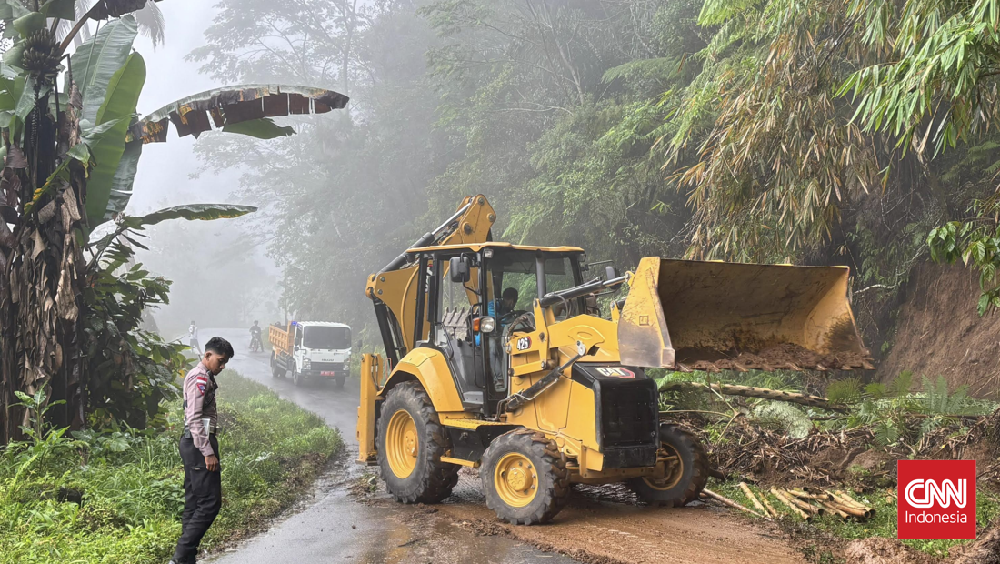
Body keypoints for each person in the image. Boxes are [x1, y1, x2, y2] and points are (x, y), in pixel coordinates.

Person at [169, 337, 234, 564]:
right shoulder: (199, 378)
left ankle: (186, 560)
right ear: (207, 356)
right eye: (220, 360)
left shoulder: (204, 377)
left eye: (225, 362)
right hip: (199, 444)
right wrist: (208, 452)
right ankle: (179, 558)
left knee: (194, 502)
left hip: (195, 443)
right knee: (209, 503)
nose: (223, 366)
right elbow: (194, 418)